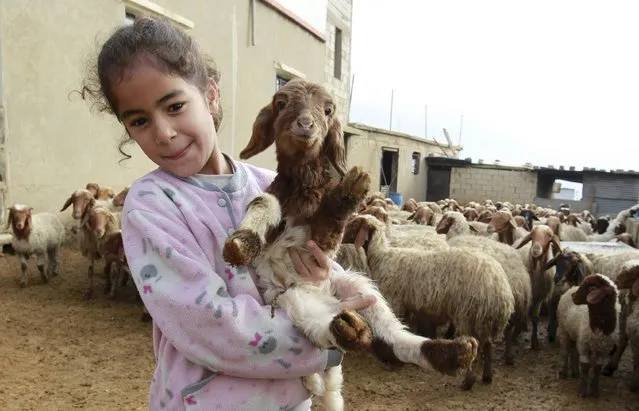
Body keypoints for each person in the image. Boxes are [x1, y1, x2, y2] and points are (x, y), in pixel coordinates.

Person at [81, 16, 374, 411]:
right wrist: (329, 341)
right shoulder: (152, 205)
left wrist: (333, 280)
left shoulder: (269, 185)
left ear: (212, 95)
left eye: (175, 105)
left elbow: (319, 257)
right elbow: (210, 325)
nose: (163, 131)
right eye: (139, 120)